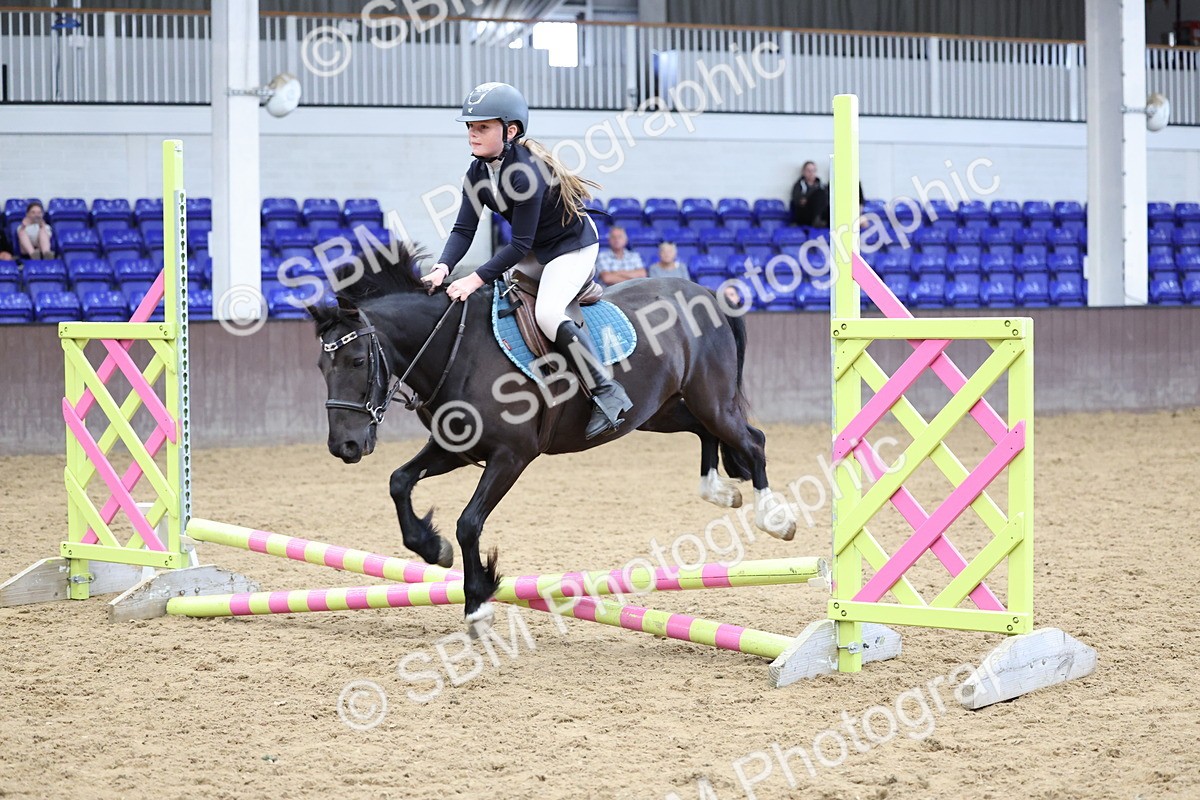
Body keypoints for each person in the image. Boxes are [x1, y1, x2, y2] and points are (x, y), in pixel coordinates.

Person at [420, 82, 632, 439]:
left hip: (571, 247)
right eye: (471, 127)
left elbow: (518, 245)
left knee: (548, 313)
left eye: (483, 127)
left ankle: (606, 391)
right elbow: (462, 229)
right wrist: (443, 266)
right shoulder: (476, 172)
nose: (473, 134)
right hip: (537, 249)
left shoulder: (525, 172)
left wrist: (474, 279)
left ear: (510, 129)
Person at [789, 161, 828, 227]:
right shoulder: (798, 186)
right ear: (803, 172)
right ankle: (816, 220)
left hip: (821, 214)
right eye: (808, 171)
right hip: (805, 214)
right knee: (819, 194)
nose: (811, 173)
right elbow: (799, 201)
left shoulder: (821, 186)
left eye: (813, 171)